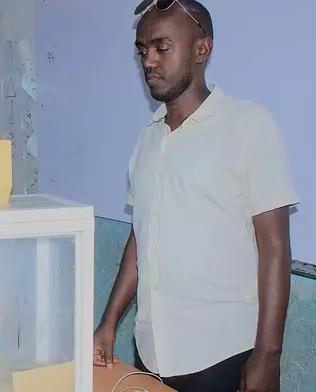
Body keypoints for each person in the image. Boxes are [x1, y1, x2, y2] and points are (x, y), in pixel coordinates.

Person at [93, 1, 299, 392]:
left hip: (224, 357)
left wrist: (268, 356)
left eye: (161, 47)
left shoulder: (249, 126)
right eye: (142, 51)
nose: (148, 61)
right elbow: (141, 240)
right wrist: (108, 323)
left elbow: (275, 248)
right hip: (152, 353)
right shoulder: (148, 138)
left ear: (201, 50)